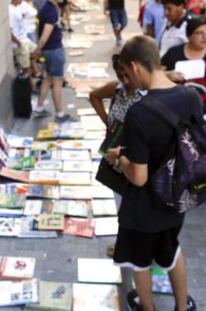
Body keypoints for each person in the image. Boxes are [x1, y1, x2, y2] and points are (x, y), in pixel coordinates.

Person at [106, 35, 197, 311]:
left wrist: (119, 157)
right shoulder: (190, 95)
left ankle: (147, 307)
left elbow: (139, 176)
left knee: (139, 260)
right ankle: (183, 307)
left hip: (143, 207)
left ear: (134, 67)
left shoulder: (139, 113)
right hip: (177, 196)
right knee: (171, 251)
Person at [89, 54, 145, 257]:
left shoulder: (147, 93)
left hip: (138, 157)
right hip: (116, 158)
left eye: (127, 73)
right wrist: (107, 122)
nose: (125, 79)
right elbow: (94, 96)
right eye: (120, 74)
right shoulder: (116, 89)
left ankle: (134, 243)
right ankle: (125, 241)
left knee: (137, 203)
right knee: (121, 202)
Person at [33, 0, 74, 123]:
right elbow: (45, 34)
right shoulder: (50, 10)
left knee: (48, 78)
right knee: (57, 81)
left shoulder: (50, 7)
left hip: (49, 50)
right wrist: (37, 50)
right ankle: (60, 114)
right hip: (54, 50)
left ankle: (39, 108)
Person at [162, 17, 206, 104]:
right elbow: (155, 73)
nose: (204, 37)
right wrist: (167, 75)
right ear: (189, 36)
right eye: (199, 33)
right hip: (175, 104)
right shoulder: (173, 53)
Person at [9, 0, 38, 77]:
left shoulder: (18, 7)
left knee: (37, 51)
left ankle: (32, 68)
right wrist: (18, 43)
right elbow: (9, 32)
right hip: (18, 42)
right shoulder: (10, 11)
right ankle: (28, 86)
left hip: (24, 38)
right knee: (27, 69)